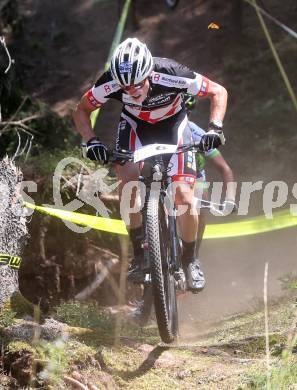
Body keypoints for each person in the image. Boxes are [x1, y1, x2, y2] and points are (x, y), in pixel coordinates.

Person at [72, 37, 227, 293]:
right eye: (125, 87)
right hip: (135, 129)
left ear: (149, 72)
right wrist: (91, 142)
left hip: (174, 127)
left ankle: (190, 260)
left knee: (185, 197)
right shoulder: (109, 81)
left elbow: (217, 91)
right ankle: (139, 254)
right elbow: (81, 110)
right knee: (128, 185)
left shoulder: (171, 72)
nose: (132, 91)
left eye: (137, 84)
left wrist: (215, 127)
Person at [184, 95, 236, 261]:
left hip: (195, 177)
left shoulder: (196, 133)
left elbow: (225, 169)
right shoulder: (158, 131)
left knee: (202, 206)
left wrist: (230, 199)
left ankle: (193, 257)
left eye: (185, 113)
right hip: (166, 177)